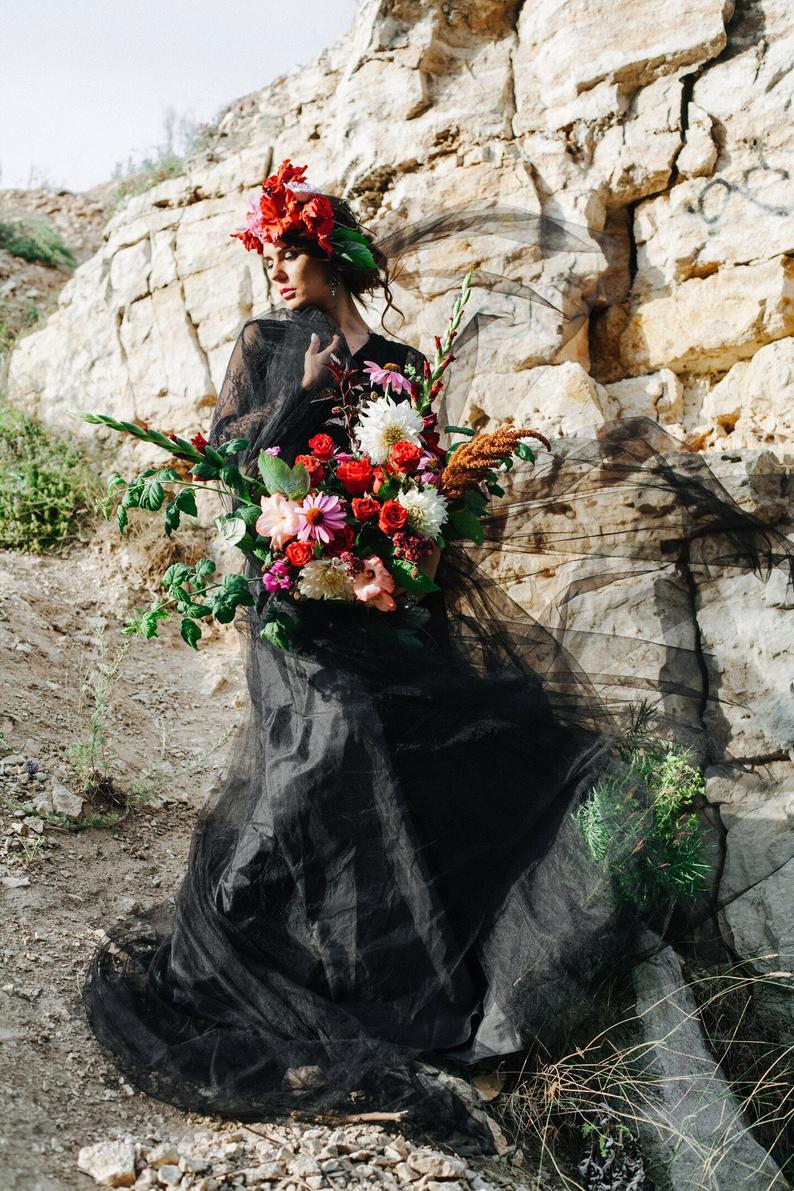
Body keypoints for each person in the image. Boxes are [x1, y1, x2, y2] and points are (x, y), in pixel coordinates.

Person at [81, 159, 794, 1148]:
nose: (277, 272)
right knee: (328, 743)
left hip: (377, 603)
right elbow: (238, 463)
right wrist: (301, 397)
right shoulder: (266, 343)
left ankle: (415, 972)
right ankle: (242, 931)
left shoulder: (404, 365)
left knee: (441, 750)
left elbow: (417, 495)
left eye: (291, 253)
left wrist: (394, 567)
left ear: (331, 256)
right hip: (291, 599)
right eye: (269, 255)